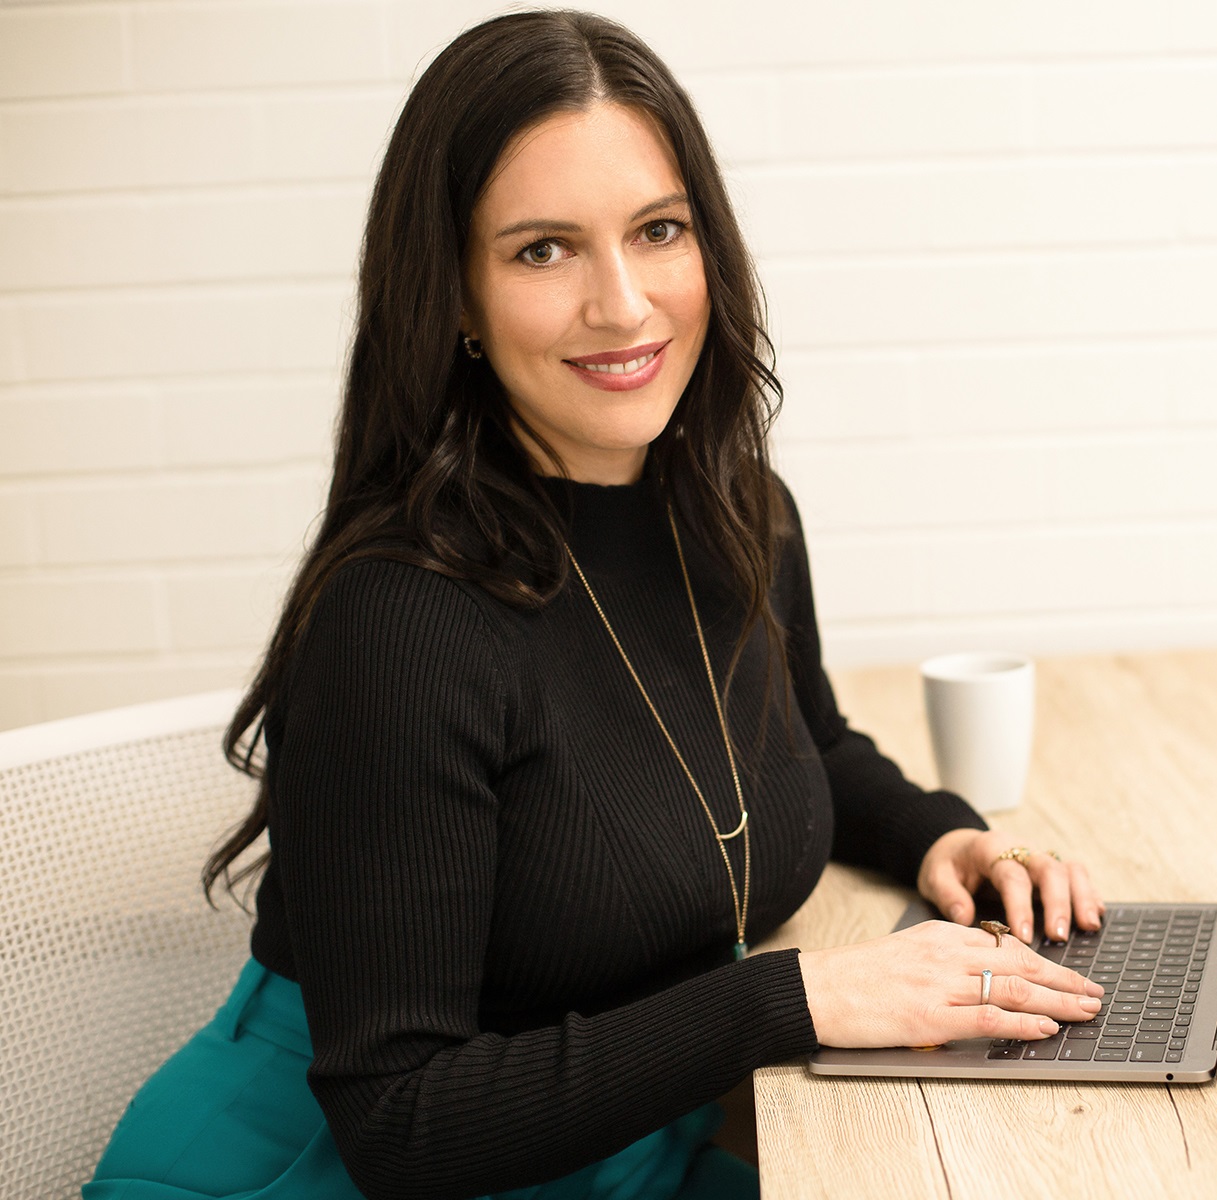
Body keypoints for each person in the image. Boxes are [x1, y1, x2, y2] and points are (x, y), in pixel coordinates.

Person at [85, 11, 1105, 1200]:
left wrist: (945, 835)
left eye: (658, 231)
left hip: (617, 1149)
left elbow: (804, 742)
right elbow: (401, 1122)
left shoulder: (741, 514)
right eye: (543, 250)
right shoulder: (402, 622)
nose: (623, 305)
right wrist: (800, 999)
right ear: (455, 296)